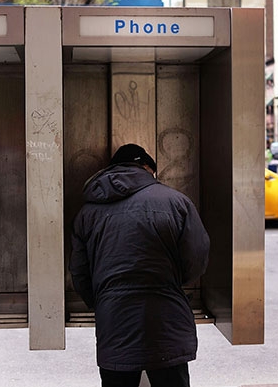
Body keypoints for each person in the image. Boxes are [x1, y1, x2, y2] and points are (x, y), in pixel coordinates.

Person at [69, 143, 211, 387]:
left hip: (113, 318)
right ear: (148, 169)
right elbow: (197, 258)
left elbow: (80, 272)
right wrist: (171, 285)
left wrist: (104, 300)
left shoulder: (87, 213)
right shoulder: (177, 202)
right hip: (165, 315)